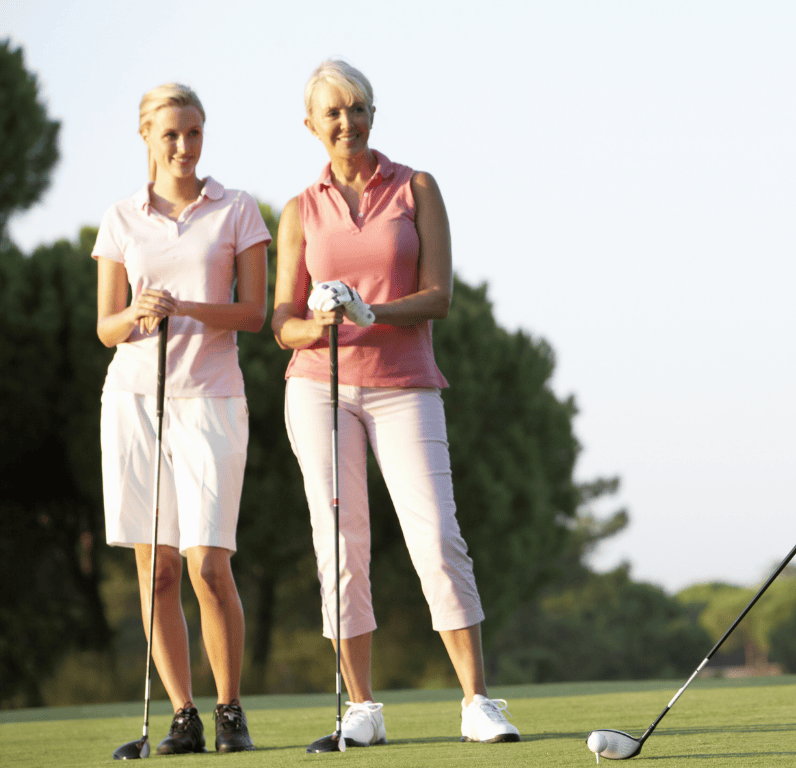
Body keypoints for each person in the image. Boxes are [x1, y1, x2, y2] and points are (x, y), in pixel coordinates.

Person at [272, 59, 520, 751]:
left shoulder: (416, 188)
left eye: (357, 108)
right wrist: (319, 320)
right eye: (332, 112)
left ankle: (477, 701)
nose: (346, 122)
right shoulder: (299, 209)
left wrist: (369, 309)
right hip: (318, 387)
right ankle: (361, 709)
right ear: (311, 125)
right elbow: (281, 322)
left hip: (404, 384)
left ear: (373, 115)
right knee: (340, 545)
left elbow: (439, 295)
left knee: (437, 537)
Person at [94, 83, 269, 754]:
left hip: (212, 400)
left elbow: (252, 314)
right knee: (158, 569)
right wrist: (137, 314)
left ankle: (230, 710)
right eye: (171, 134)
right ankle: (183, 716)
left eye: (194, 132)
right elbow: (106, 328)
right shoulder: (120, 218)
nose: (184, 146)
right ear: (146, 136)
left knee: (208, 564)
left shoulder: (237, 209)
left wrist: (188, 308)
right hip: (135, 400)